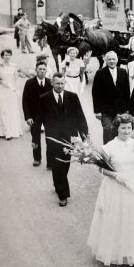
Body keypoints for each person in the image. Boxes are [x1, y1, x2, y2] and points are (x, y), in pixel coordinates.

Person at [87, 114, 134, 267]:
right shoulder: (109, 148)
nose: (126, 131)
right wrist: (116, 175)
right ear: (116, 129)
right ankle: (114, 252)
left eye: (129, 128)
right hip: (115, 185)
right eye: (123, 128)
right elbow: (101, 168)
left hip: (132, 184)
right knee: (116, 218)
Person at [33, 73, 88, 207]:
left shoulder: (72, 97)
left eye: (62, 83)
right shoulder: (44, 98)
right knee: (58, 164)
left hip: (70, 137)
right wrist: (35, 139)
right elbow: (38, 120)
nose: (60, 86)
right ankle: (63, 195)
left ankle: (58, 182)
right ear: (52, 83)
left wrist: (85, 135)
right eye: (57, 83)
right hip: (53, 138)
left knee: (65, 165)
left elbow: (80, 116)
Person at [92, 51, 130, 144]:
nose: (112, 61)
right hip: (106, 110)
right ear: (105, 60)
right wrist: (97, 111)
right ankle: (107, 154)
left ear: (117, 60)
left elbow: (127, 91)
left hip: (120, 109)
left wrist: (128, 109)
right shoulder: (100, 73)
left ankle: (118, 155)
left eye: (113, 59)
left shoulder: (123, 72)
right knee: (108, 130)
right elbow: (95, 93)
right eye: (109, 59)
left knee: (119, 132)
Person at [22, 61, 53, 167]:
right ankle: (37, 158)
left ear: (46, 70)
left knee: (50, 138)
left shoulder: (50, 82)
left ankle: (50, 162)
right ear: (36, 70)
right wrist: (28, 117)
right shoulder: (29, 83)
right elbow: (25, 101)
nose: (42, 71)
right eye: (40, 69)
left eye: (44, 69)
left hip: (48, 115)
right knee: (35, 137)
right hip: (34, 115)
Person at [0, 49, 23, 139]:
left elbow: (16, 79)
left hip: (11, 90)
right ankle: (6, 132)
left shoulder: (14, 66)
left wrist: (17, 89)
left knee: (12, 109)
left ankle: (14, 130)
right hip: (2, 89)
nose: (7, 57)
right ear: (2, 56)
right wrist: (1, 82)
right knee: (4, 110)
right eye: (5, 55)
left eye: (9, 55)